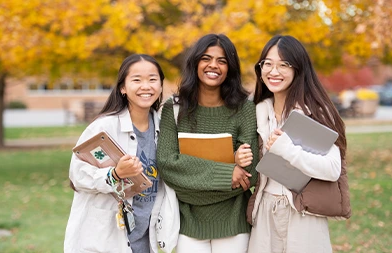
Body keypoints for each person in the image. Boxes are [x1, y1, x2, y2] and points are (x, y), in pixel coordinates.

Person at [156, 34, 259, 253]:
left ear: (230, 68)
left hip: (233, 221)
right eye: (206, 58)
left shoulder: (245, 109)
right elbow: (167, 164)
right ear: (195, 63)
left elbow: (250, 173)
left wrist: (192, 181)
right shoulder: (173, 109)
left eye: (222, 61)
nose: (214, 65)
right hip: (187, 222)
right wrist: (227, 173)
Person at [247, 35, 348, 253]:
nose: (274, 72)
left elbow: (332, 169)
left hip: (303, 214)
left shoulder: (316, 112)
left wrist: (287, 149)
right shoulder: (256, 112)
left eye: (284, 65)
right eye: (268, 64)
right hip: (264, 211)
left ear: (298, 69)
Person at [64, 54, 164, 253]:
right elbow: (78, 174)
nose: (146, 86)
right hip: (105, 239)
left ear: (161, 85)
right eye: (137, 80)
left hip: (145, 239)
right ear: (123, 88)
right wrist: (115, 174)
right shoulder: (104, 127)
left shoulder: (164, 127)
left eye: (153, 79)